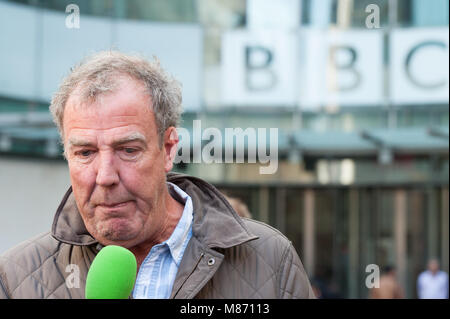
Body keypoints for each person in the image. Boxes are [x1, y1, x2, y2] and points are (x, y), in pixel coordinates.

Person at [0, 51, 315, 299]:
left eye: (128, 149)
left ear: (168, 149)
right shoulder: (16, 278)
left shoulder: (270, 261)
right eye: (85, 153)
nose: (105, 176)